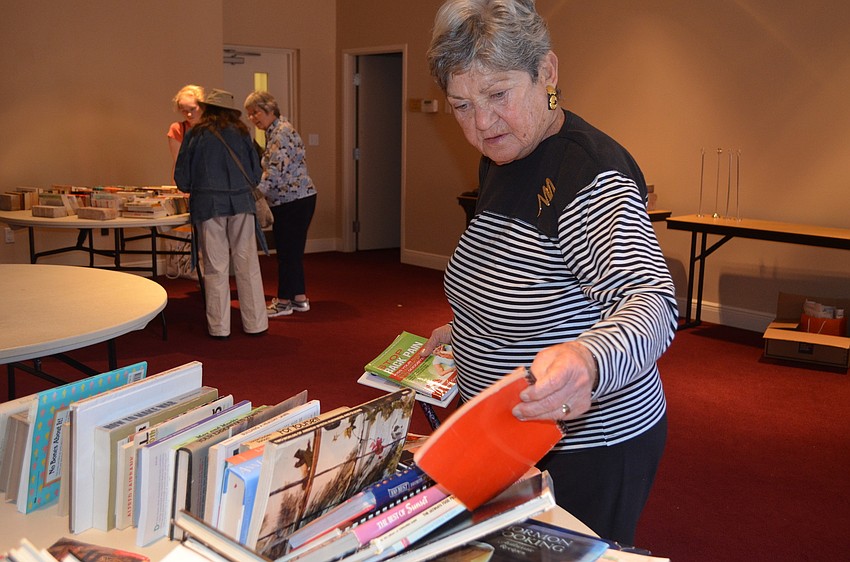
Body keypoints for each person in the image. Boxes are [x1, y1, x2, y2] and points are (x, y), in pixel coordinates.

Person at [421, 0, 678, 546]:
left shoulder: (589, 174)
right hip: (508, 438)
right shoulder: (503, 154)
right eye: (461, 105)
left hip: (585, 445)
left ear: (548, 73)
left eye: (497, 95)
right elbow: (525, 277)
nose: (481, 124)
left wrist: (587, 359)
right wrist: (466, 329)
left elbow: (652, 301)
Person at [174, 89, 269, 339]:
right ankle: (256, 324)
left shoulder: (195, 134)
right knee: (248, 265)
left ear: (208, 108)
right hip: (241, 204)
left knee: (215, 268)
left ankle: (219, 328)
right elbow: (256, 174)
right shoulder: (242, 133)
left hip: (208, 206)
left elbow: (182, 179)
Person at [244, 91, 317, 317]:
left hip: (293, 201)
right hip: (295, 199)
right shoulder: (275, 130)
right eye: (249, 114)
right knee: (291, 252)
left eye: (255, 112)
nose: (252, 118)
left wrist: (255, 195)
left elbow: (274, 172)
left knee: (287, 253)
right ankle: (299, 298)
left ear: (269, 109)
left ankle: (284, 302)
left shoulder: (281, 133)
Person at [167, 84, 205, 164]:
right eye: (184, 111)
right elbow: (179, 163)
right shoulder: (178, 129)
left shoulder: (214, 127)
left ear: (202, 106)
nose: (189, 114)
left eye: (193, 109)